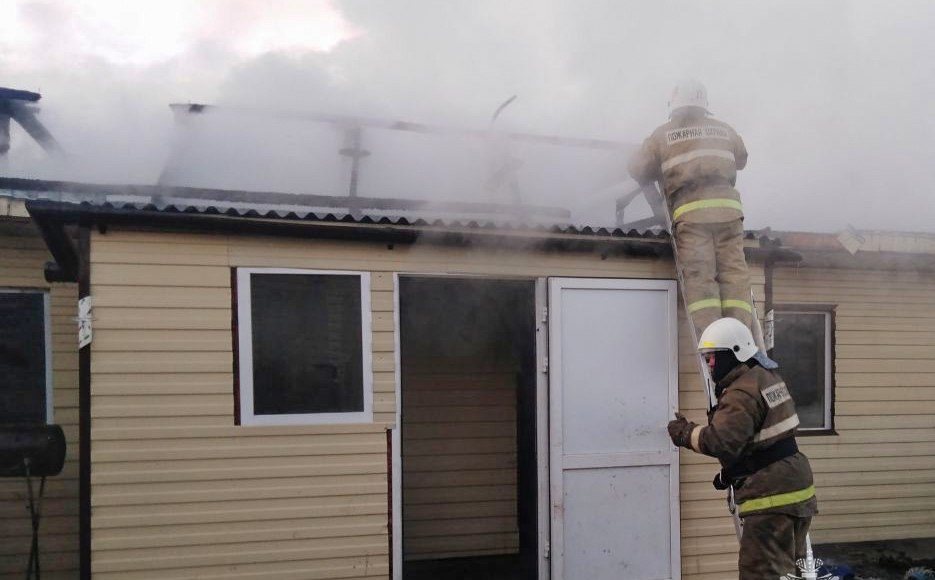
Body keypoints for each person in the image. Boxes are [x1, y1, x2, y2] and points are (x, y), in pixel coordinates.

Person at [667, 317, 818, 580]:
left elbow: (721, 441)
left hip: (771, 497)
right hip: (796, 488)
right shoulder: (766, 377)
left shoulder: (741, 393)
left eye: (713, 357)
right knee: (790, 572)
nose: (709, 364)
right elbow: (761, 440)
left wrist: (685, 433)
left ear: (734, 353)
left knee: (762, 573)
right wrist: (732, 472)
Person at [628, 79, 752, 334]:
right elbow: (741, 158)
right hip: (729, 214)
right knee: (734, 274)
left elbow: (637, 168)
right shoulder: (725, 130)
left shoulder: (662, 135)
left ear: (673, 105)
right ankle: (740, 334)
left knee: (700, 276)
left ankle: (713, 337)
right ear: (704, 104)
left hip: (692, 216)